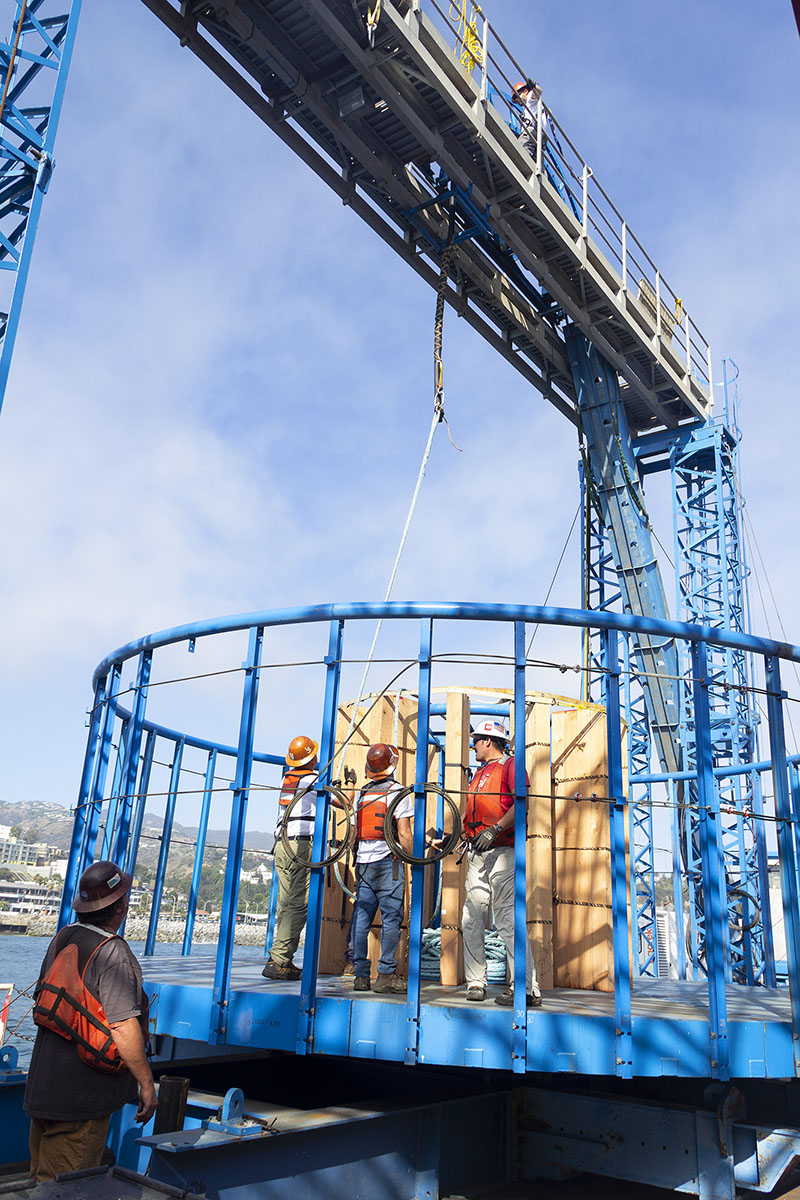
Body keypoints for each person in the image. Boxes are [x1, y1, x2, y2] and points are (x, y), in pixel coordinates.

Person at [23, 860, 157, 1182]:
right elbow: (123, 1028)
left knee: (42, 1183)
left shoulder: (61, 938)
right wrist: (147, 1084)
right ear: (120, 907)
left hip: (44, 1093)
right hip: (79, 1105)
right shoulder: (113, 954)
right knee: (69, 1189)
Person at [462, 719, 541, 1008]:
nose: (473, 746)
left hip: (504, 852)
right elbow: (472, 808)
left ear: (488, 741)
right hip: (478, 853)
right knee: (470, 918)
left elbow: (522, 804)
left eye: (476, 741)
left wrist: (494, 829)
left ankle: (527, 988)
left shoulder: (510, 766)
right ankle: (475, 982)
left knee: (507, 920)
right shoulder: (479, 773)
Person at [351, 743, 413, 994]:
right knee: (391, 919)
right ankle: (385, 975)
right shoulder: (399, 792)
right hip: (391, 862)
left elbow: (355, 830)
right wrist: (412, 858)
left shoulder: (361, 793)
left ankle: (360, 975)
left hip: (363, 863)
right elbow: (404, 833)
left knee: (361, 919)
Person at [262, 734, 319, 981]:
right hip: (301, 846)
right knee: (298, 903)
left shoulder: (288, 778)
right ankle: (279, 959)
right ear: (312, 757)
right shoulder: (313, 779)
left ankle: (282, 957)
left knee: (285, 903)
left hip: (281, 845)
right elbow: (341, 801)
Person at [511, 78, 546, 160]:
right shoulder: (530, 106)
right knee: (537, 165)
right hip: (540, 138)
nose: (516, 100)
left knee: (520, 152)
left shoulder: (530, 99)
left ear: (525, 91)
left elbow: (539, 91)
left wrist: (534, 86)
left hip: (531, 132)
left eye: (517, 95)